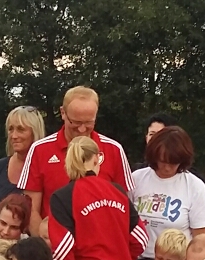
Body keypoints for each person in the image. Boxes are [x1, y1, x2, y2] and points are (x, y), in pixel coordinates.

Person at [25, 87, 130, 237]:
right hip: (54, 243)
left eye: (88, 122)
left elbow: (124, 206)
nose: (82, 129)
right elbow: (31, 208)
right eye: (75, 122)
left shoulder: (113, 150)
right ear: (63, 113)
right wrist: (45, 244)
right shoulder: (40, 150)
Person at [127, 125, 205, 260]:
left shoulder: (194, 186)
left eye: (173, 163)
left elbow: (200, 239)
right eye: (162, 161)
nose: (167, 167)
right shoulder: (136, 179)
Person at [0, 105, 44, 212]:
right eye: (10, 129)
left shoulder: (45, 168)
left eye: (20, 129)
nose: (14, 136)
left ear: (34, 132)